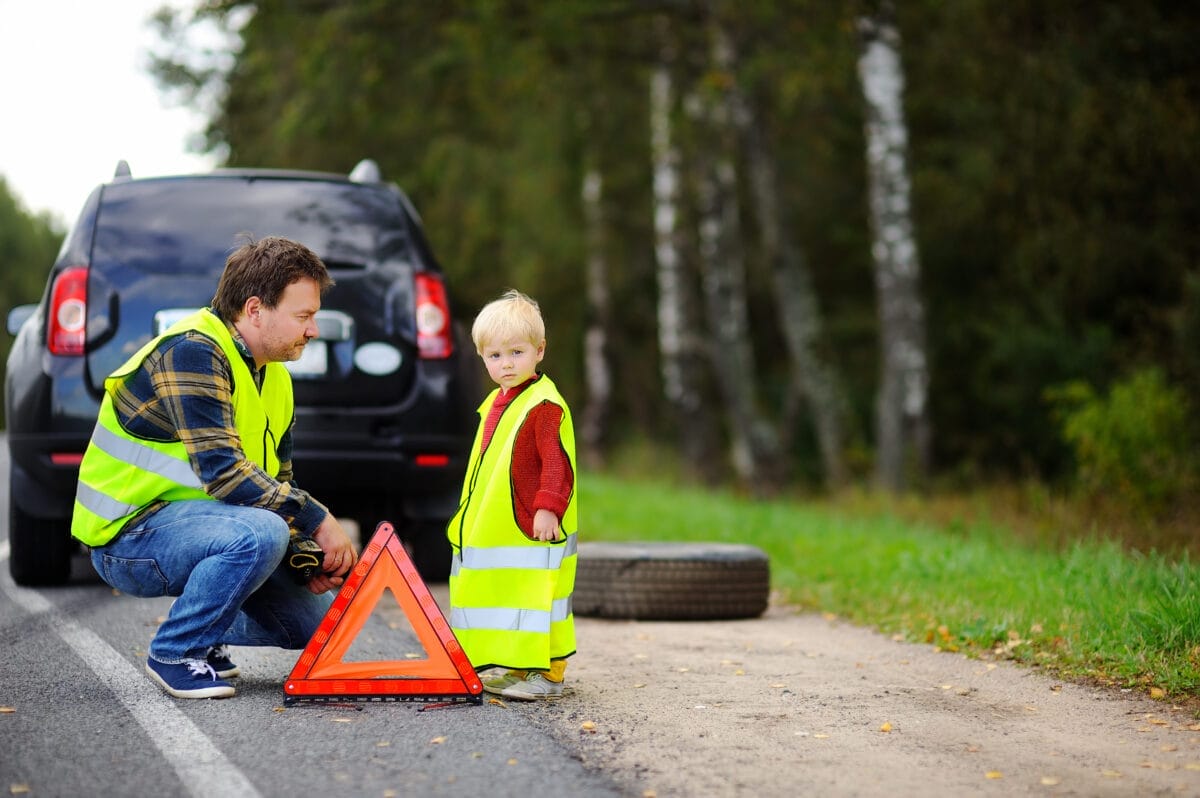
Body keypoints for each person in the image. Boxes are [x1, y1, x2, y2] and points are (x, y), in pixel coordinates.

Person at [71, 236, 358, 699]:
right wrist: (318, 520)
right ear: (255, 310)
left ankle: (208, 633)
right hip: (127, 536)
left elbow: (276, 482)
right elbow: (225, 474)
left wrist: (304, 555)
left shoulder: (275, 377)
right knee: (261, 533)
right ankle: (176, 652)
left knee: (326, 624)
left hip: (205, 527)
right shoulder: (193, 350)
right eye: (304, 316)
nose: (313, 330)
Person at [447, 289, 578, 701]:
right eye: (495, 356)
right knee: (516, 602)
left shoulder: (544, 406)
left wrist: (548, 508)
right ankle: (522, 670)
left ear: (539, 351)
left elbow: (556, 461)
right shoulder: (497, 402)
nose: (506, 364)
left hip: (532, 527)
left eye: (517, 353)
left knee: (541, 601)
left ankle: (550, 676)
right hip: (499, 528)